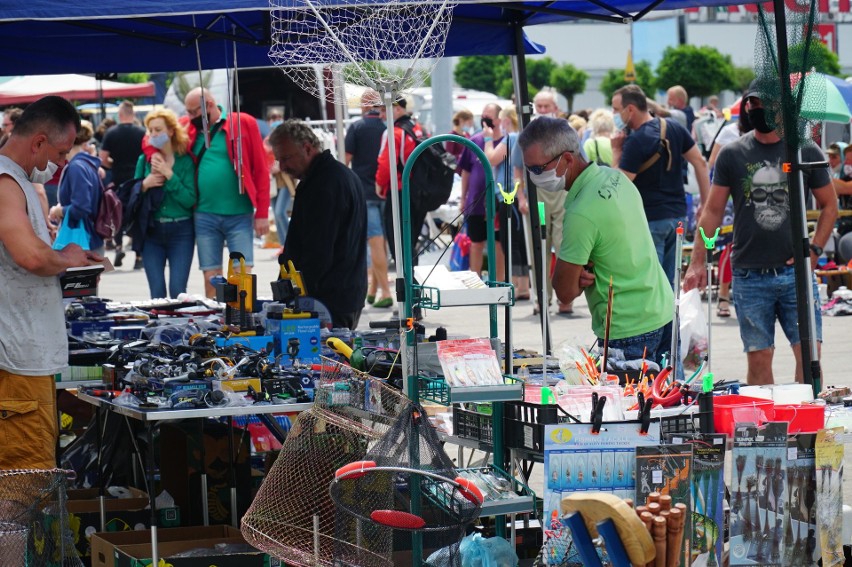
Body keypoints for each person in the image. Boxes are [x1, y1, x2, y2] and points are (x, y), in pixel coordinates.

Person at [683, 80, 837, 385]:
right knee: (758, 356)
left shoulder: (804, 150)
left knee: (809, 355)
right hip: (750, 275)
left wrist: (815, 250)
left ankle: (804, 424)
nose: (756, 108)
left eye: (763, 102)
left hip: (796, 275)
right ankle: (766, 427)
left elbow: (829, 205)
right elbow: (712, 211)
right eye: (751, 103)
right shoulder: (733, 154)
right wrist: (698, 260)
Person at [519, 117, 673, 361]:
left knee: (629, 400)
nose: (533, 176)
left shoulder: (581, 213)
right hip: (662, 311)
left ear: (567, 159)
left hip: (627, 328)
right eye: (528, 169)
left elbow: (565, 292)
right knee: (667, 398)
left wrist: (575, 276)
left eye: (537, 169)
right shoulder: (616, 177)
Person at [0, 95, 99, 469]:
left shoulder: (15, 180)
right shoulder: (5, 181)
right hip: (16, 362)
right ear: (38, 141)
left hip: (24, 359)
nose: (62, 163)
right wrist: (68, 258)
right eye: (59, 152)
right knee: (22, 481)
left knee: (26, 478)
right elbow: (31, 256)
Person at [270, 120, 367, 330]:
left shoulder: (325, 184)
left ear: (307, 148)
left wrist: (291, 298)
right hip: (340, 294)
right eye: (279, 160)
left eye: (286, 158)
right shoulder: (333, 176)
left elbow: (318, 250)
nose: (283, 167)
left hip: (328, 299)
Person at [611, 84, 711, 285]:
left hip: (650, 219)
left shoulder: (635, 141)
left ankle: (662, 318)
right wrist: (706, 205)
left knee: (652, 284)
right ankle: (672, 318)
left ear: (630, 109)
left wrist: (615, 153)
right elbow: (700, 162)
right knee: (670, 284)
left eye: (616, 109)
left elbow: (619, 185)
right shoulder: (673, 127)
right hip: (678, 215)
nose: (614, 115)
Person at [183, 87, 270, 298]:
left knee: (242, 278)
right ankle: (215, 324)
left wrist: (262, 214)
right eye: (188, 112)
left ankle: (244, 322)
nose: (190, 117)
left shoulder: (243, 122)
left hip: (239, 213)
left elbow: (261, 169)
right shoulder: (189, 128)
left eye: (194, 112)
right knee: (211, 278)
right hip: (204, 214)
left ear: (209, 106)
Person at [134, 109, 197, 299]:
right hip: (152, 230)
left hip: (181, 230)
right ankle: (159, 330)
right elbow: (132, 195)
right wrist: (145, 184)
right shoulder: (144, 160)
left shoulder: (185, 161)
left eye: (158, 130)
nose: (153, 134)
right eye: (150, 130)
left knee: (178, 290)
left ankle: (178, 329)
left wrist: (169, 175)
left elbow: (189, 199)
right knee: (157, 293)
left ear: (171, 131)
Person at [345, 89, 393, 308]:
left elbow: (345, 161)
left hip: (364, 192)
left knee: (374, 242)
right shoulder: (388, 126)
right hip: (387, 190)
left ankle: (385, 291)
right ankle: (373, 290)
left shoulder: (356, 127)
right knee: (381, 242)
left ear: (364, 105)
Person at [375, 97, 426, 266]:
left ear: (396, 108)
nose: (381, 116)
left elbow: (385, 164)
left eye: (383, 110)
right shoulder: (418, 129)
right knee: (410, 241)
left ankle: (408, 286)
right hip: (419, 191)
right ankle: (415, 284)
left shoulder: (394, 132)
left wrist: (380, 185)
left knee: (399, 241)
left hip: (399, 191)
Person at [460, 103, 505, 280]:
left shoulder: (505, 141)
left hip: (497, 201)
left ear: (499, 120)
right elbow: (465, 171)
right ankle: (475, 279)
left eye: (489, 117)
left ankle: (500, 280)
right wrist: (463, 198)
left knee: (499, 243)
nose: (485, 120)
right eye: (483, 116)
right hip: (476, 201)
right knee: (475, 242)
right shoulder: (474, 141)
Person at [48, 121, 107, 255]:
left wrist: (59, 210)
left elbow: (81, 208)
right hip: (89, 239)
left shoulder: (76, 167)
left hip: (83, 242)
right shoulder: (85, 164)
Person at [101, 101, 146, 268]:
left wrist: (115, 165)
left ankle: (119, 246)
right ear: (133, 114)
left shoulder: (111, 133)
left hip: (119, 179)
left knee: (118, 213)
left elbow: (103, 158)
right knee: (138, 214)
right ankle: (139, 256)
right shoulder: (142, 132)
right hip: (138, 179)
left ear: (120, 115)